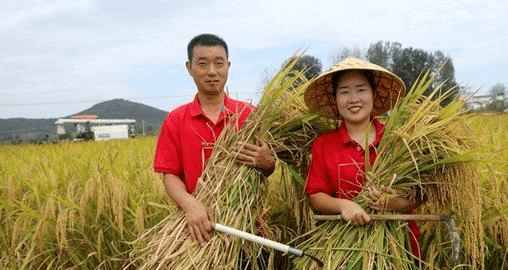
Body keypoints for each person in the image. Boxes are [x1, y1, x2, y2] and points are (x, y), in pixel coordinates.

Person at [153, 33, 275, 247]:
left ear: (228, 66)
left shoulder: (250, 115)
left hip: (249, 227)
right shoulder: (176, 119)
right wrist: (190, 206)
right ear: (189, 67)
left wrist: (267, 163)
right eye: (202, 64)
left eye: (219, 63)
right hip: (198, 230)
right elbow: (170, 176)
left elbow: (268, 166)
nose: (211, 71)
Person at [303, 57, 422, 257]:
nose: (353, 99)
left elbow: (421, 194)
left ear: (374, 94)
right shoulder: (323, 145)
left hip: (401, 247)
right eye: (344, 92)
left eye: (361, 89)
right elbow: (316, 196)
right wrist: (344, 205)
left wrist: (395, 203)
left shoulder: (398, 141)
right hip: (344, 248)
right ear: (335, 99)